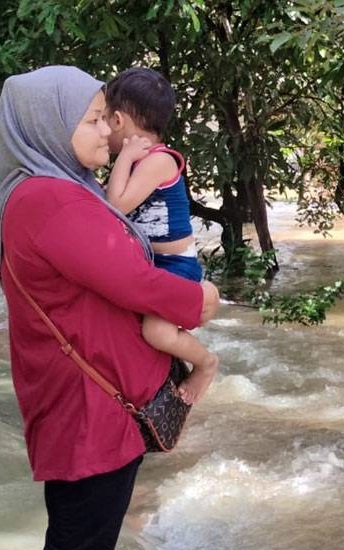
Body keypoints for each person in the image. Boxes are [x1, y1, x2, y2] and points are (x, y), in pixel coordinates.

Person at [0, 65, 220, 550]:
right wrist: (203, 302)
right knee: (76, 546)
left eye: (102, 117)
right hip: (92, 408)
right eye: (90, 120)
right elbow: (136, 282)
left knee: (86, 536)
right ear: (46, 126)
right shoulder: (52, 200)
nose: (104, 131)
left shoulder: (54, 189)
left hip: (95, 403)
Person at [104, 67, 218, 405]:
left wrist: (123, 158)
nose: (102, 129)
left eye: (103, 119)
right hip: (153, 263)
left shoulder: (158, 161)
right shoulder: (142, 161)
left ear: (119, 120)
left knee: (156, 331)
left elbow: (116, 205)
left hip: (175, 265)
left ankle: (206, 363)